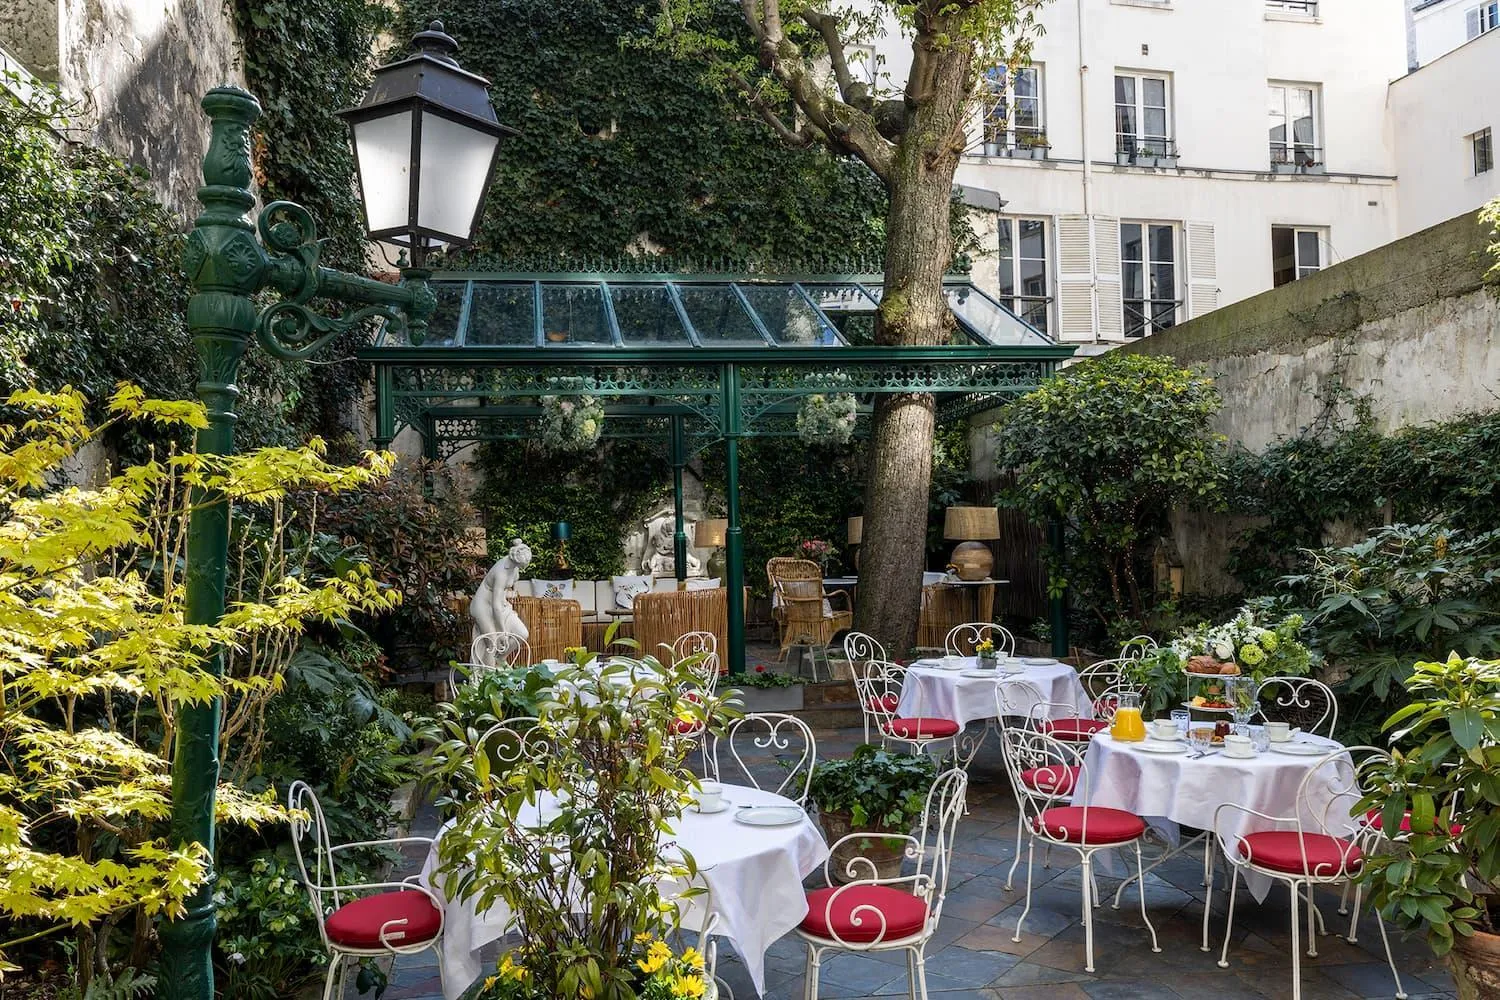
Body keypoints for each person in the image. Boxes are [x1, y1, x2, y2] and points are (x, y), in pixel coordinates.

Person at [469, 539, 532, 664]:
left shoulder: (514, 567)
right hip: (483, 606)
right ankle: (488, 673)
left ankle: (500, 659)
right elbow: (495, 605)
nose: (522, 568)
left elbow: (503, 593)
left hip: (499, 603)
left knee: (522, 633)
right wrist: (503, 632)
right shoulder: (501, 573)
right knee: (492, 642)